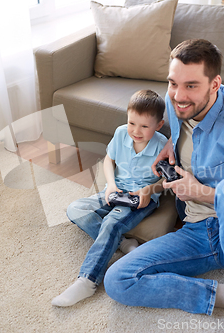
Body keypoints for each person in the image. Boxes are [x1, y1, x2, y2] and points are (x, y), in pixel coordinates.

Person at [103, 40, 224, 333]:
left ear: (215, 84)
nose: (179, 95)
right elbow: (186, 128)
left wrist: (200, 192)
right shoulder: (175, 102)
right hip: (197, 230)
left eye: (191, 86)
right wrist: (172, 145)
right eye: (173, 83)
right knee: (118, 279)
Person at [51, 89, 168, 307]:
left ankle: (87, 280)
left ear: (158, 125)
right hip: (115, 190)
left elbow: (167, 182)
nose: (136, 131)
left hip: (139, 198)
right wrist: (111, 185)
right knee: (75, 209)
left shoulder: (163, 145)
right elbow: (108, 160)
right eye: (132, 123)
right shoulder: (121, 133)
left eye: (144, 126)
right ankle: (123, 243)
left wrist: (149, 191)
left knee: (112, 222)